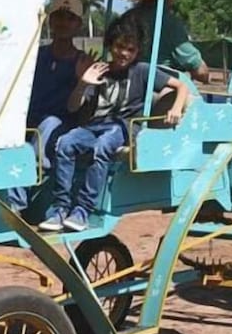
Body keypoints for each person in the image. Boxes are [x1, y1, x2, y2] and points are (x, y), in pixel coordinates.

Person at [39, 17, 189, 233]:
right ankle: (60, 208)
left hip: (124, 127)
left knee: (102, 146)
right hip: (94, 126)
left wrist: (176, 108)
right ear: (110, 45)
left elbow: (181, 86)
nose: (124, 54)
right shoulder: (100, 71)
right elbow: (73, 107)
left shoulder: (142, 70)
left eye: (130, 49)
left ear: (137, 51)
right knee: (65, 144)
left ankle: (83, 210)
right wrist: (83, 83)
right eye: (119, 47)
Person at [7, 0, 93, 211]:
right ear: (50, 21)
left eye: (70, 18)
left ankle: (29, 188)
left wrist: (82, 81)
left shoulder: (83, 62)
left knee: (49, 124)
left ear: (78, 25)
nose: (63, 23)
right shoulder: (35, 56)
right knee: (17, 143)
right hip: (29, 121)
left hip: (63, 125)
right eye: (59, 17)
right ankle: (12, 203)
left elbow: (81, 108)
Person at [119, 0, 210, 84]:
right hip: (159, 84)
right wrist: (205, 75)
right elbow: (198, 69)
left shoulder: (126, 18)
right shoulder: (171, 23)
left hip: (128, 80)